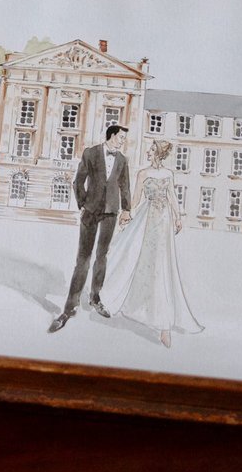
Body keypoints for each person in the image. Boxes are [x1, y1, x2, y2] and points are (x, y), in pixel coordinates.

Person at [101, 139, 203, 347]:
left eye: (151, 149)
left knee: (163, 266)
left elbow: (172, 195)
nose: (148, 151)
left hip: (163, 221)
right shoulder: (143, 174)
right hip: (147, 221)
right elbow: (136, 199)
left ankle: (163, 323)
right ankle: (145, 312)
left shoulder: (168, 174)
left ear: (158, 153)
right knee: (142, 261)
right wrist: (126, 212)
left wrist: (177, 216)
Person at [49, 124, 131, 333]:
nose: (123, 141)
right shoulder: (91, 153)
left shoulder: (122, 160)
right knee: (83, 259)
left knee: (102, 257)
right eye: (121, 137)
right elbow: (79, 181)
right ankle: (69, 307)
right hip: (91, 211)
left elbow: (125, 186)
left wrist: (127, 209)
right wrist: (83, 204)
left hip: (111, 212)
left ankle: (95, 297)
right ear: (112, 135)